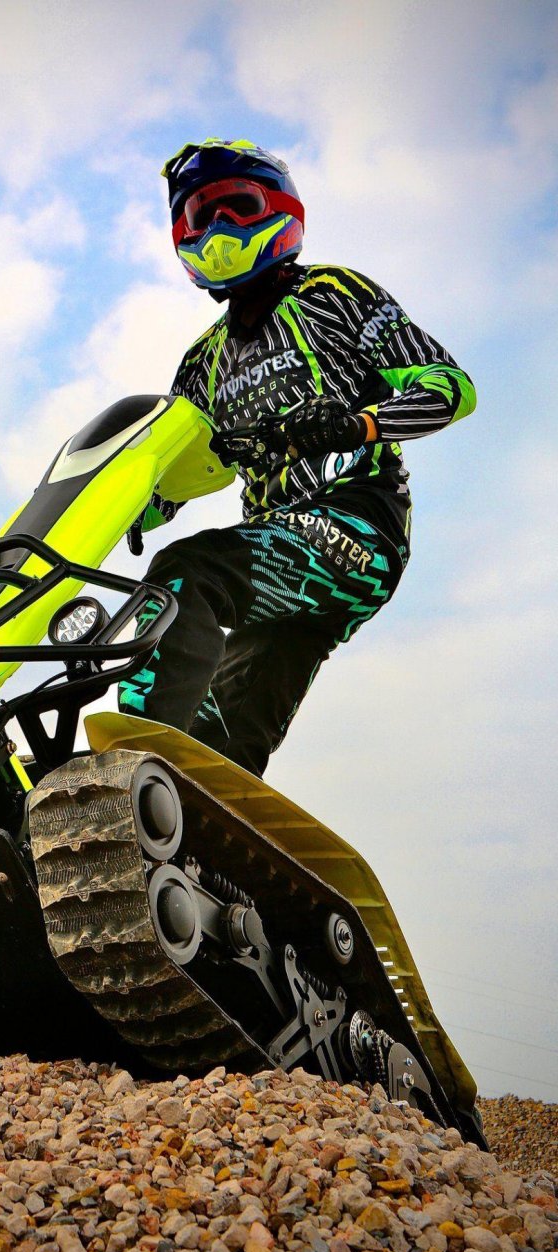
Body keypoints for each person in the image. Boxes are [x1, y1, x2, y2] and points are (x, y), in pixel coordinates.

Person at [117, 137, 476, 777]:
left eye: (237, 205)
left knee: (184, 576)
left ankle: (138, 754)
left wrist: (358, 424)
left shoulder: (334, 293)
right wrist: (132, 506)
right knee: (223, 736)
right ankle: (192, 808)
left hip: (358, 524)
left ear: (279, 208)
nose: (220, 226)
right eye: (202, 215)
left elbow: (451, 388)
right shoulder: (201, 363)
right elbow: (187, 468)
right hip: (278, 561)